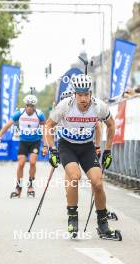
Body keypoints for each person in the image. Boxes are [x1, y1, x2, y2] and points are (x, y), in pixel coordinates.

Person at [45, 74, 121, 240]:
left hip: (87, 147)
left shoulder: (98, 106)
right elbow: (48, 125)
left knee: (98, 183)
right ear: (74, 94)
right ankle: (72, 217)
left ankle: (103, 224)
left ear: (90, 93)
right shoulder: (65, 105)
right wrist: (52, 149)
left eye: (86, 94)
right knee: (74, 176)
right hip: (67, 146)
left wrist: (107, 150)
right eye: (80, 95)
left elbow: (111, 124)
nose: (83, 98)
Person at [0, 94, 48, 198]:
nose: (30, 108)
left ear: (34, 106)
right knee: (21, 163)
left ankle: (30, 186)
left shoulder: (39, 114)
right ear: (25, 105)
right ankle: (18, 188)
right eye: (28, 105)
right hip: (23, 141)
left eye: (32, 106)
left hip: (35, 142)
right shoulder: (19, 113)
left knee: (32, 162)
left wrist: (45, 145)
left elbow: (45, 130)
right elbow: (7, 125)